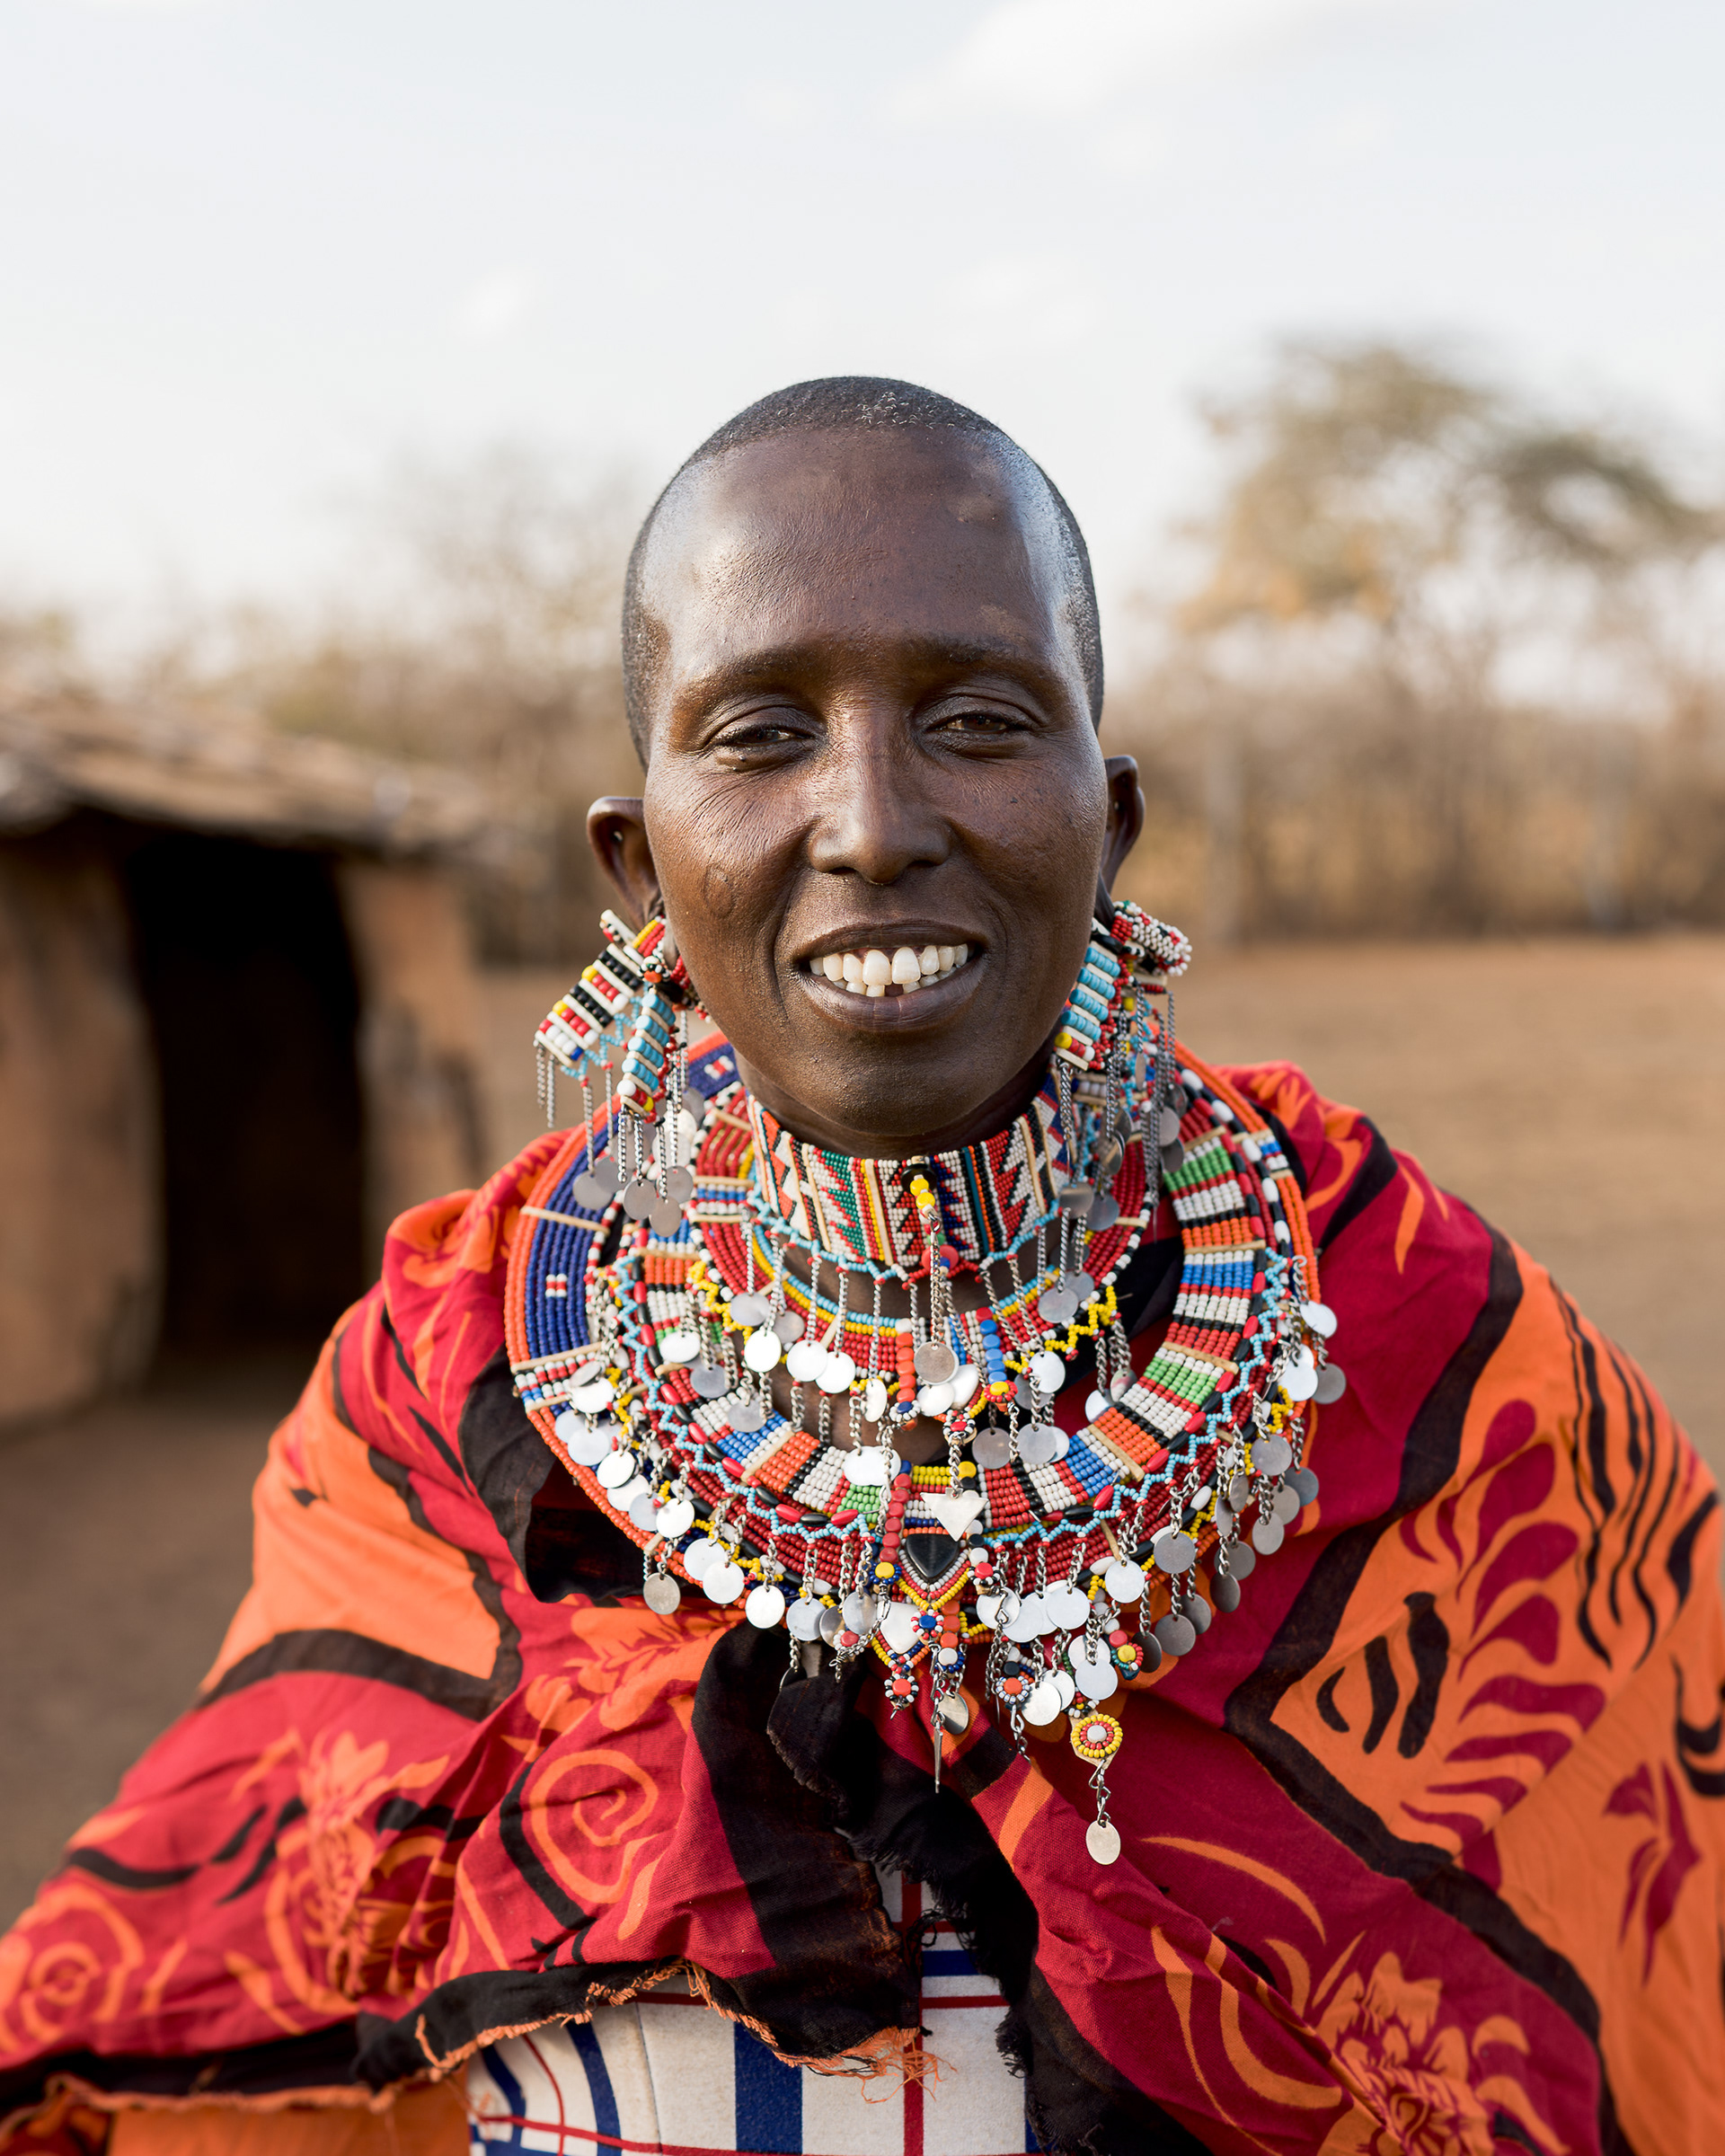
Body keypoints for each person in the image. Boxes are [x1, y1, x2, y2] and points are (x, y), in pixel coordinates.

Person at [2, 377, 1721, 2156]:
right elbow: (222, 1968)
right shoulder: (448, 1374)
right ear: (638, 864)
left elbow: (1652, 1964)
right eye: (756, 736)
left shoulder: (1412, 1331)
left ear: (1110, 819)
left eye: (980, 720)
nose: (876, 821)